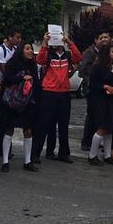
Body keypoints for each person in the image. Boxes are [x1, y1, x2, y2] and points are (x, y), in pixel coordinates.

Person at [34, 30, 81, 164]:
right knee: (44, 124)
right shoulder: (48, 53)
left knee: (63, 125)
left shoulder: (67, 54)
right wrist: (45, 42)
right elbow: (39, 59)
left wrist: (69, 42)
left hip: (64, 93)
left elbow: (79, 57)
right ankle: (36, 153)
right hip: (49, 92)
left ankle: (63, 153)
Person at [0, 41, 40, 172]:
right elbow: (7, 80)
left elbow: (37, 83)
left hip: (27, 102)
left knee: (28, 131)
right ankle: (5, 161)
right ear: (21, 50)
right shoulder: (13, 63)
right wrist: (22, 77)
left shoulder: (33, 65)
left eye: (31, 49)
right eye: (27, 49)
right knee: (9, 130)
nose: (30, 51)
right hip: (12, 102)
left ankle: (27, 161)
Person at [78, 29, 113, 150]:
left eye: (106, 37)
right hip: (93, 89)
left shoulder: (110, 53)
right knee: (92, 116)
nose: (104, 40)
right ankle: (87, 142)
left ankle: (102, 143)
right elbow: (83, 70)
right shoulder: (90, 52)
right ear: (96, 40)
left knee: (105, 118)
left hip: (107, 91)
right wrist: (93, 75)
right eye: (101, 38)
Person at [87, 43, 113, 166]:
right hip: (99, 99)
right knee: (102, 127)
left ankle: (107, 155)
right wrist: (105, 86)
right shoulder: (97, 67)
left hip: (109, 99)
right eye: (112, 52)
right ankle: (92, 155)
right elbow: (93, 85)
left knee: (109, 128)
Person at [0, 29, 22, 157]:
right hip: (3, 86)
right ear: (9, 37)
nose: (19, 40)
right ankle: (1, 147)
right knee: (3, 117)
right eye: (17, 37)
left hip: (12, 87)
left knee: (9, 118)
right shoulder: (2, 50)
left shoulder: (15, 50)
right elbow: (3, 67)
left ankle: (6, 147)